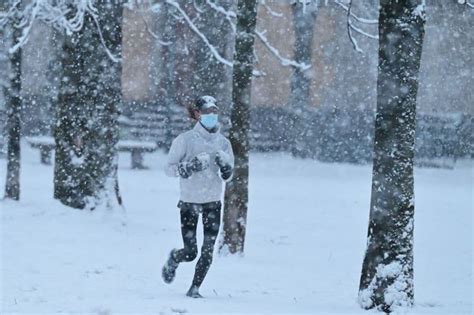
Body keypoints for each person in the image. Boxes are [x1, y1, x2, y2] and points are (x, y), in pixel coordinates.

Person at [162, 95, 234, 298]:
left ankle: (194, 289)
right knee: (191, 251)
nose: (212, 116)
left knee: (208, 249)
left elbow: (228, 176)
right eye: (207, 112)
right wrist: (188, 167)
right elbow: (168, 168)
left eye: (215, 112)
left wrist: (225, 167)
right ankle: (175, 257)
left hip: (213, 202)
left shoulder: (224, 143)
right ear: (197, 114)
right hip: (190, 202)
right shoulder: (184, 140)